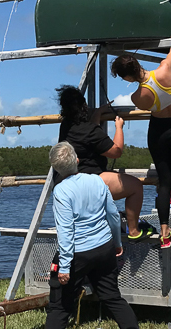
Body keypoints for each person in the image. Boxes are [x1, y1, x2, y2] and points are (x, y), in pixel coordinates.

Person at [35, 142, 149, 329]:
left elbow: (66, 233)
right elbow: (113, 217)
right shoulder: (97, 181)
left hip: (77, 253)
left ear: (55, 169)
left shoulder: (61, 191)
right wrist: (117, 242)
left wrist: (64, 267)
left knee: (59, 305)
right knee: (112, 296)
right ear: (77, 160)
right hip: (103, 247)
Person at [111, 33, 171, 249]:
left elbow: (148, 100)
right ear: (137, 64)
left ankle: (164, 232)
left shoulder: (136, 97)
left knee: (164, 183)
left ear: (127, 77)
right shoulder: (165, 69)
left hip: (158, 131)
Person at [55, 85, 149, 241]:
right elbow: (116, 151)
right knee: (136, 187)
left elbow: (90, 133)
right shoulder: (89, 130)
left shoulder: (66, 125)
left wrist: (98, 113)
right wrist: (119, 127)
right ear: (83, 106)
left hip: (65, 182)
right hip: (88, 180)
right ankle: (133, 230)